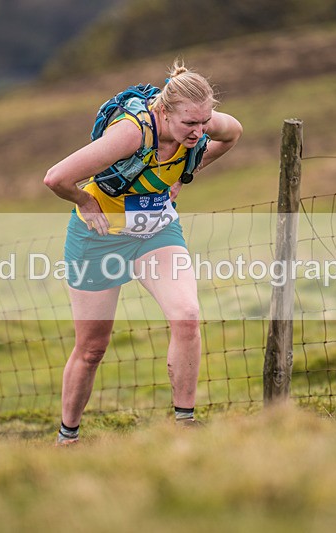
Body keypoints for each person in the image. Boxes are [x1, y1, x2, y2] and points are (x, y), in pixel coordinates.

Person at [43, 59, 242, 445]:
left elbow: (233, 134)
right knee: (92, 349)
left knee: (186, 316)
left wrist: (188, 173)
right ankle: (68, 438)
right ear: (164, 112)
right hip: (99, 238)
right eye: (190, 124)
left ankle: (184, 422)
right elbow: (56, 177)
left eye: (204, 122)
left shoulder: (201, 123)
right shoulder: (130, 134)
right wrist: (84, 201)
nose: (199, 131)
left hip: (156, 232)